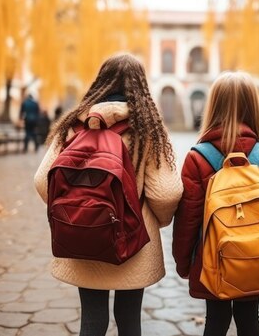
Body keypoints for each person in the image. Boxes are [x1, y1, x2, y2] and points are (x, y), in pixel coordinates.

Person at [34, 54, 183, 336]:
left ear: (100, 82)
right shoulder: (148, 130)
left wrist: (73, 211)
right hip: (134, 241)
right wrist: (155, 220)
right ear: (142, 87)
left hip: (81, 235)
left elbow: (42, 181)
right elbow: (167, 192)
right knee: (129, 319)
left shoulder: (73, 124)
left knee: (92, 319)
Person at [172, 72, 259, 336]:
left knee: (216, 321)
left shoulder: (198, 159)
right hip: (257, 255)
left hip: (213, 259)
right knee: (248, 318)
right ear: (254, 107)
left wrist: (184, 262)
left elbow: (188, 219)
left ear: (213, 107)